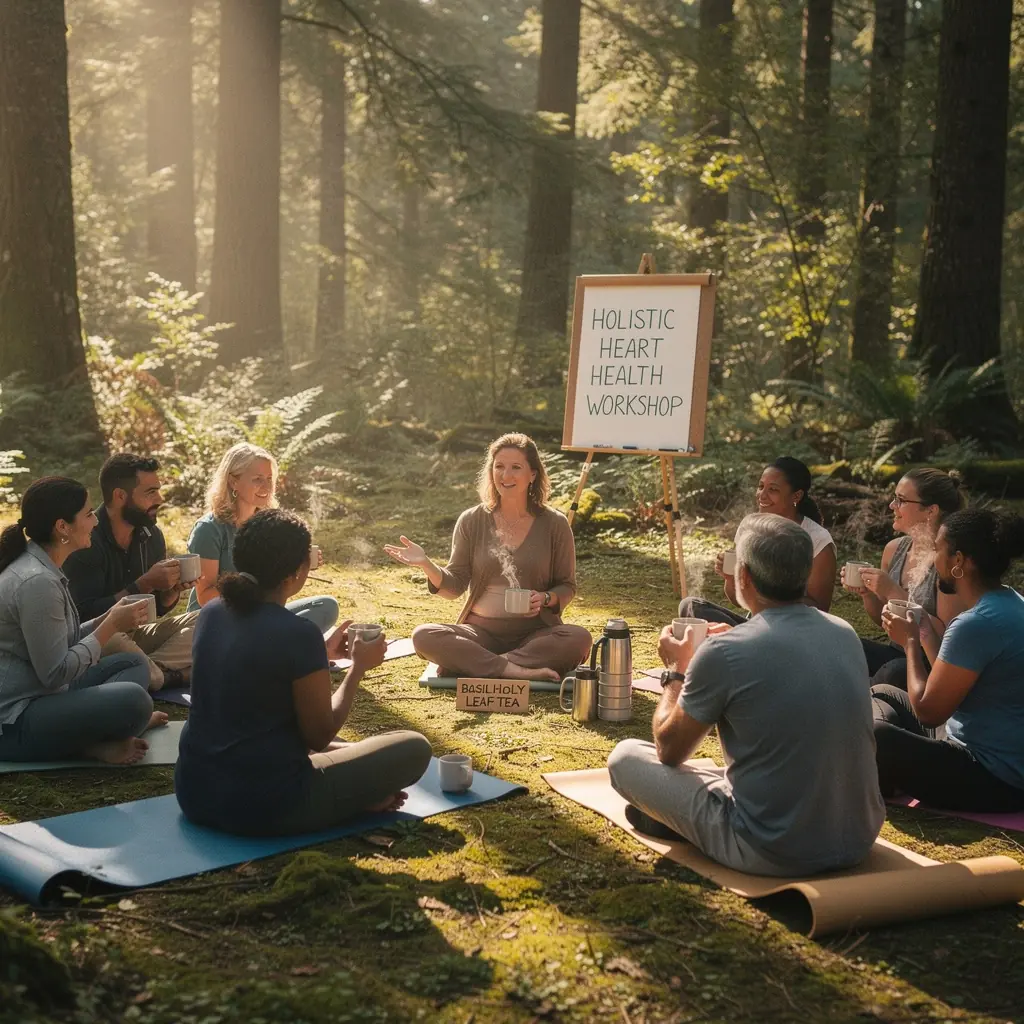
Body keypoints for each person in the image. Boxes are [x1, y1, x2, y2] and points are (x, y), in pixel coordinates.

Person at [609, 514, 883, 877]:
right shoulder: (843, 632)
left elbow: (669, 749)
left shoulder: (724, 653)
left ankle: (689, 825)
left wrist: (677, 671)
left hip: (771, 849)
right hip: (857, 839)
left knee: (624, 757)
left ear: (746, 575)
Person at [175, 508, 432, 835]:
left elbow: (252, 679)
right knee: (413, 747)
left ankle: (355, 791)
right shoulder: (298, 633)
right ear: (295, 573)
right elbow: (319, 735)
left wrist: (319, 655)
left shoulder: (211, 612)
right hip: (266, 805)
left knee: (350, 749)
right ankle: (356, 797)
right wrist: (357, 670)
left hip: (195, 792)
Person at [384, 433, 592, 682]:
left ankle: (482, 664)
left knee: (579, 639)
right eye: (499, 467)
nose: (506, 476)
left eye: (516, 467)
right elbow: (454, 586)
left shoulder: (555, 524)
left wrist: (546, 598)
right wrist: (426, 564)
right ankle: (517, 670)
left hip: (536, 634)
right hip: (479, 633)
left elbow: (567, 586)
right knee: (423, 636)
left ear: (533, 474)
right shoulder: (472, 520)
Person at [0, 477, 166, 765]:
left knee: (133, 663)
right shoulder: (37, 582)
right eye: (89, 514)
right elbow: (55, 672)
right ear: (62, 527)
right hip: (17, 719)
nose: (96, 522)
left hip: (45, 694)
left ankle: (106, 731)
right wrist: (110, 627)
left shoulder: (43, 566)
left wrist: (109, 617)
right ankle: (95, 742)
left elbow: (63, 639)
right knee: (134, 701)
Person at [872, 509, 1024, 812]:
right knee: (884, 692)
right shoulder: (1011, 602)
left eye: (938, 549)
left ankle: (881, 769)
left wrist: (911, 642)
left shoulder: (976, 623)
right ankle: (885, 769)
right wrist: (925, 631)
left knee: (877, 735)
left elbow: (929, 712)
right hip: (980, 746)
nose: (932, 558)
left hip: (992, 776)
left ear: (959, 561)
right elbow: (951, 682)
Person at [64, 453, 199, 691]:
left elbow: (154, 609)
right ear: (119, 496)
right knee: (115, 638)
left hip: (136, 636)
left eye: (158, 490)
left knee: (204, 619)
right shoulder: (86, 541)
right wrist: (144, 584)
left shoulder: (151, 535)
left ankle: (152, 671)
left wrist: (169, 593)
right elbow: (84, 619)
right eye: (150, 492)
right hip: (100, 638)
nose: (160, 498)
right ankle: (158, 675)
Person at [186, 442, 338, 633]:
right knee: (292, 629)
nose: (267, 487)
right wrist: (257, 591)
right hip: (218, 621)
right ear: (233, 481)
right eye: (258, 479)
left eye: (269, 478)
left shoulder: (267, 525)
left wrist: (298, 564)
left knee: (326, 606)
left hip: (258, 614)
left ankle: (271, 641)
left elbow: (277, 587)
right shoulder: (209, 530)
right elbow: (206, 597)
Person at [679, 456, 837, 626]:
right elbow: (736, 599)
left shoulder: (818, 540)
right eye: (761, 487)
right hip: (756, 625)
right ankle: (742, 640)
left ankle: (739, 642)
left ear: (796, 495)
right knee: (692, 606)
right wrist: (732, 578)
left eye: (773, 489)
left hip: (796, 630)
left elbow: (820, 609)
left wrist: (767, 594)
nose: (762, 495)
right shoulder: (749, 526)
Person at [842, 468, 965, 685]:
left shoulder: (948, 560)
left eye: (901, 500)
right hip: (897, 652)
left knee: (895, 671)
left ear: (931, 510)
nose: (892, 506)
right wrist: (868, 594)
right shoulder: (894, 550)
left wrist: (892, 591)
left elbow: (948, 635)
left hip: (932, 663)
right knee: (841, 643)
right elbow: (885, 622)